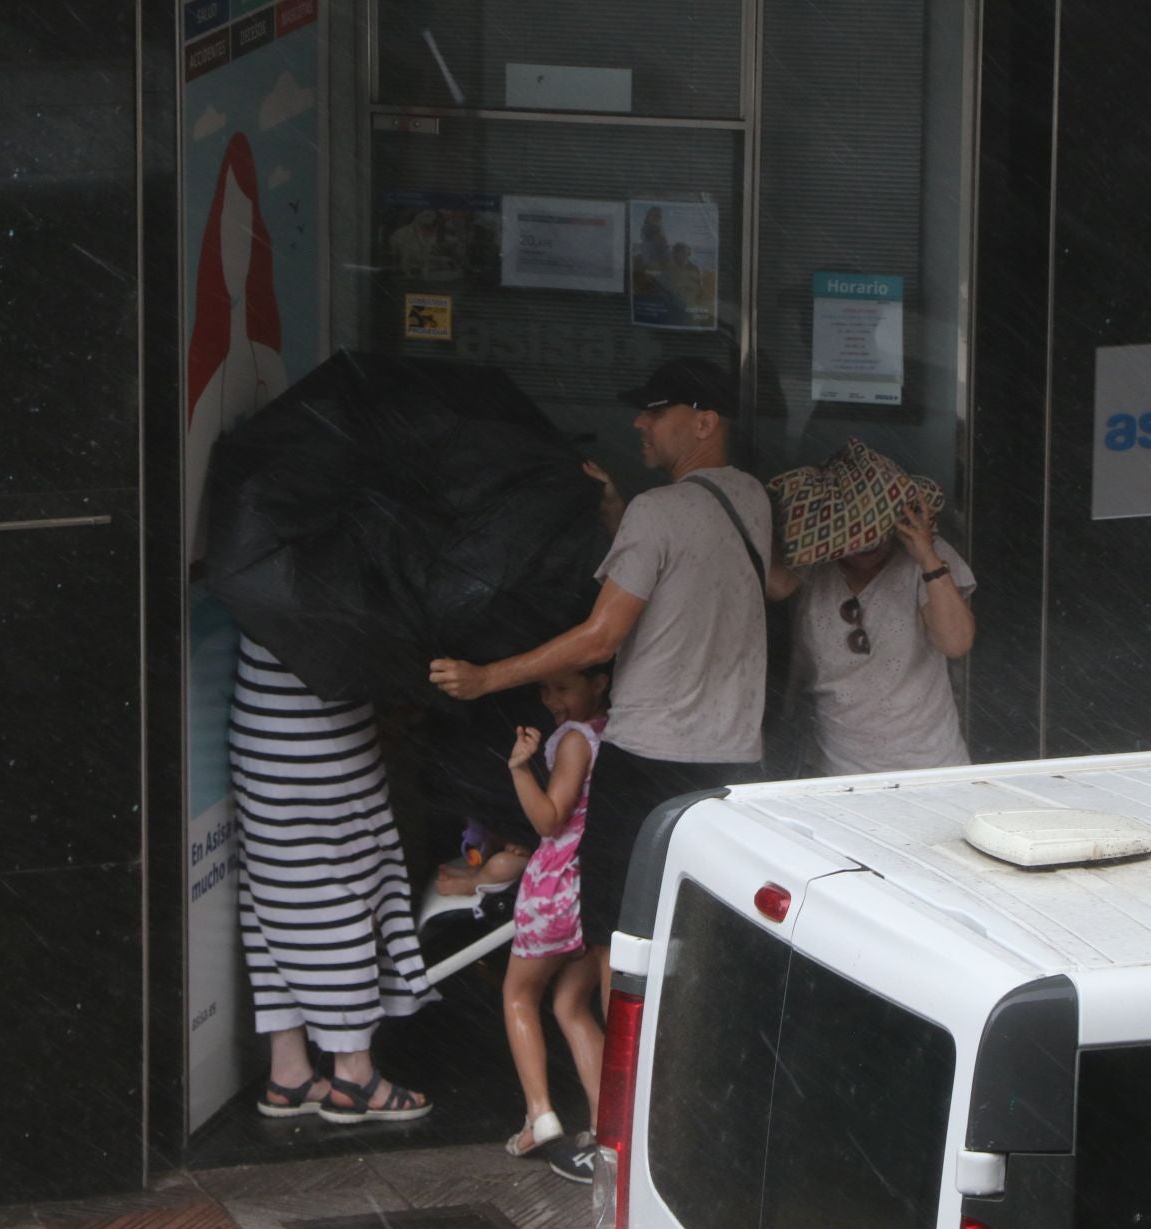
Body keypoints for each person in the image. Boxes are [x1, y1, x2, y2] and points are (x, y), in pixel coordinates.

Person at [429, 356, 769, 1181]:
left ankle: (636, 1130)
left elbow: (598, 639)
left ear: (703, 418)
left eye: (653, 412)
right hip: (736, 762)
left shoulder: (660, 514)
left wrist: (486, 677)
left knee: (630, 949)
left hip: (650, 764)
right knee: (717, 945)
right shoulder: (751, 500)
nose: (638, 426)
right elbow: (705, 582)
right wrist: (621, 512)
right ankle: (713, 1114)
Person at [233, 636, 436, 1124]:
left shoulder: (257, 576)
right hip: (321, 735)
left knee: (275, 893)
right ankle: (353, 1074)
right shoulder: (324, 584)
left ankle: (290, 1071)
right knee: (341, 894)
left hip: (258, 722)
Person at [765, 440, 976, 775]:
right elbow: (776, 586)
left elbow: (956, 643)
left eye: (875, 529)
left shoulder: (927, 558)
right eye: (853, 531)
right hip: (837, 769)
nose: (866, 542)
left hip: (930, 766)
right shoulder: (812, 564)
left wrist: (927, 558)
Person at [498, 667, 611, 1159]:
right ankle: (606, 1120)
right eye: (543, 688)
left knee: (519, 996)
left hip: (554, 886)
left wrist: (520, 767)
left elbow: (550, 817)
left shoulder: (573, 741)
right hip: (589, 887)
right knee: (570, 1002)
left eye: (563, 685)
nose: (551, 699)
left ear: (600, 682)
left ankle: (539, 1114)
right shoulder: (615, 731)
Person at [185, 132, 290, 567]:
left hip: (238, 547)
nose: (236, 248)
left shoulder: (260, 354)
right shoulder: (217, 357)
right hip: (233, 547)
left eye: (242, 230)